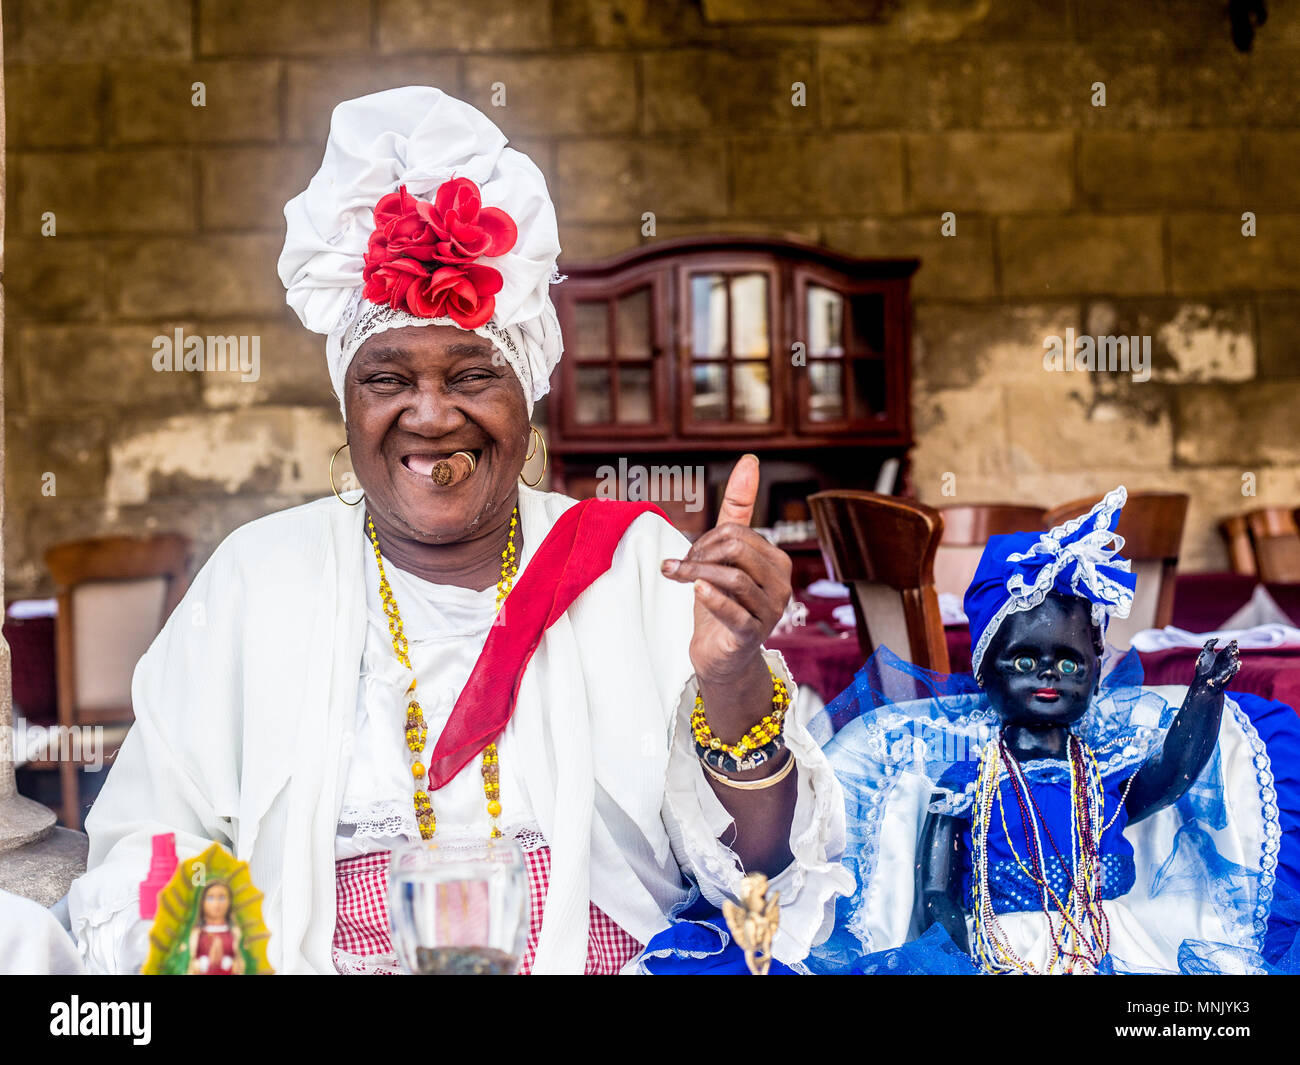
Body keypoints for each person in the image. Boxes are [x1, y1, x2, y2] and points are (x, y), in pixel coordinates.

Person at [66, 86, 850, 974]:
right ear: (347, 405)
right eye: (387, 379)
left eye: (473, 374)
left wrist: (734, 674)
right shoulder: (257, 578)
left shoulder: (637, 566)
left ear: (527, 400)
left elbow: (764, 873)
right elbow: (149, 842)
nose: (430, 416)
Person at [808, 486, 1300, 975]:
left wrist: (1204, 695)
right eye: (1024, 660)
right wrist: (955, 957)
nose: (1048, 675)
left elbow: (1173, 774)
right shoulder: (966, 783)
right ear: (985, 671)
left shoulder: (1100, 773)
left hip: (1108, 944)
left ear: (1094, 672)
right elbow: (935, 891)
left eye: (1070, 664)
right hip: (1003, 953)